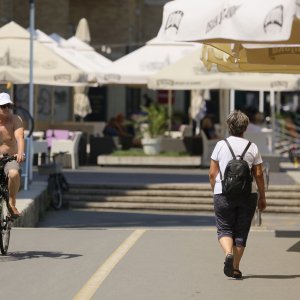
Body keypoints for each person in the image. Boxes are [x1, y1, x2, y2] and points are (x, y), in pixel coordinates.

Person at [209, 110, 266, 279]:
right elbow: (259, 174)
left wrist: (216, 190)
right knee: (241, 232)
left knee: (224, 228)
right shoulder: (252, 147)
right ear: (245, 127)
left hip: (223, 193)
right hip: (247, 195)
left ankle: (228, 253)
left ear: (229, 127)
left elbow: (212, 173)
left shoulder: (221, 145)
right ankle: (235, 267)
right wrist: (262, 196)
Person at [0, 92, 25, 218]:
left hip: (10, 157)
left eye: (8, 105)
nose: (6, 109)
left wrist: (20, 153)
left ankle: (12, 202)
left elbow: (20, 138)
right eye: (3, 106)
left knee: (14, 173)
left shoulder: (16, 119)